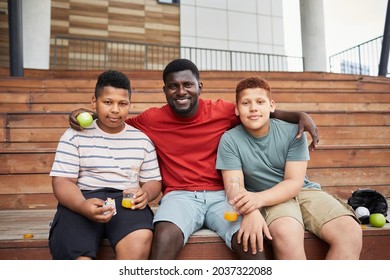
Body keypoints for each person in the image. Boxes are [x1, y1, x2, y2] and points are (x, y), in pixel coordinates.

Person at [69, 58, 319, 259]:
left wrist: (297, 115)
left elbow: (257, 113)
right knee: (164, 235)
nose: (181, 91)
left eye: (187, 85)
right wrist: (88, 114)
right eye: (173, 86)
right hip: (180, 196)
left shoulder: (221, 111)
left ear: (200, 87)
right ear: (165, 90)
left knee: (252, 240)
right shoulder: (152, 119)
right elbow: (115, 120)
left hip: (223, 196)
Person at [216, 76, 362, 259]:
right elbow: (234, 187)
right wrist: (251, 209)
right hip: (269, 197)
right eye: (246, 103)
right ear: (237, 110)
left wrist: (257, 199)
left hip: (304, 192)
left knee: (350, 231)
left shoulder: (294, 131)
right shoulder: (230, 140)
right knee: (287, 234)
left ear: (271, 105)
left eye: (260, 102)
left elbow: (294, 182)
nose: (253, 107)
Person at [49, 70, 162, 260]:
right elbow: (62, 181)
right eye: (108, 102)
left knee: (140, 237)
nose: (115, 109)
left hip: (126, 201)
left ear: (129, 105)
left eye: (122, 103)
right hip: (82, 199)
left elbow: (152, 181)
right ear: (94, 102)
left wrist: (147, 193)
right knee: (78, 257)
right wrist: (82, 205)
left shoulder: (141, 140)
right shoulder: (74, 135)